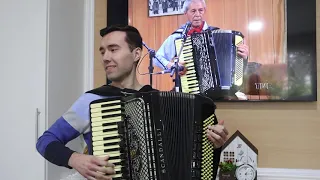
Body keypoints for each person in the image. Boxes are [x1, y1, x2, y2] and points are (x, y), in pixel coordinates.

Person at [36, 24, 229, 180]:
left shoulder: (158, 100)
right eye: (102, 51)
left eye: (113, 49)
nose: (106, 57)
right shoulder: (91, 101)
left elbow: (194, 161)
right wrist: (75, 159)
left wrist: (215, 142)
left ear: (136, 54)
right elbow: (45, 141)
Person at [154, 0, 249, 73]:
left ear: (205, 11)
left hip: (218, 93)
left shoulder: (217, 33)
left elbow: (235, 64)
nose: (197, 15)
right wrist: (171, 65)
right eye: (193, 11)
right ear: (185, 13)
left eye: (200, 10)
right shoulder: (178, 36)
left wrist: (243, 57)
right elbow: (156, 57)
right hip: (188, 88)